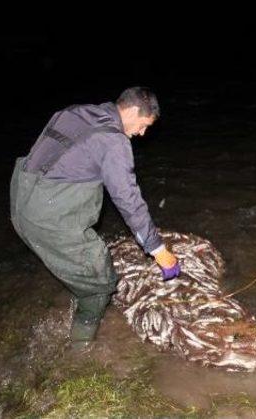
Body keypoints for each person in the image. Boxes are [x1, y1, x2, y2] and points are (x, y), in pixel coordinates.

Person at [10, 87, 180, 347]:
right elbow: (128, 200)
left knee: (81, 262)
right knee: (101, 281)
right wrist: (157, 249)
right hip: (48, 220)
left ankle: (77, 288)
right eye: (143, 125)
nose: (142, 134)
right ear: (133, 111)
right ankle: (81, 346)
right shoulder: (114, 141)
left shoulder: (73, 113)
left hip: (20, 201)